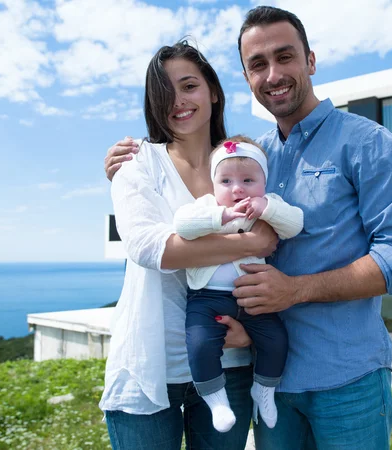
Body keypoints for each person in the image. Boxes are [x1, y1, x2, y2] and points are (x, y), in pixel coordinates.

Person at [105, 6, 392, 449]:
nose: (273, 74)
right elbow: (196, 241)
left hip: (347, 377)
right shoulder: (251, 158)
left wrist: (295, 290)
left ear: (310, 60)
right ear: (245, 77)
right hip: (269, 380)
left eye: (285, 57)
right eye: (258, 64)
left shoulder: (369, 143)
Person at [99, 40, 280, 450]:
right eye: (164, 94)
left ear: (213, 90)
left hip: (229, 361)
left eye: (188, 86)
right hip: (148, 368)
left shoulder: (248, 163)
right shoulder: (137, 162)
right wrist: (250, 241)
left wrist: (253, 332)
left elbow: (279, 236)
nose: (178, 102)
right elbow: (149, 248)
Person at [173, 135, 303, 433]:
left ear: (263, 182)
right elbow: (182, 224)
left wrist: (266, 208)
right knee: (200, 344)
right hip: (206, 299)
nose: (237, 189)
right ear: (214, 184)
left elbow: (295, 224)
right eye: (226, 181)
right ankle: (217, 401)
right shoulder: (207, 207)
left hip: (255, 297)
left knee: (276, 341)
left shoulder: (270, 206)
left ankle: (264, 390)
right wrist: (223, 215)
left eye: (248, 180)